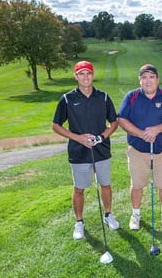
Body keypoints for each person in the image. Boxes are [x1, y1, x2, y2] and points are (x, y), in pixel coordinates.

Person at [52, 60, 120, 240]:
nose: (85, 77)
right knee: (79, 188)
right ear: (76, 76)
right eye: (81, 73)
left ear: (93, 75)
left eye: (88, 73)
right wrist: (78, 138)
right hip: (78, 151)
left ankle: (108, 215)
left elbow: (114, 123)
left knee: (105, 184)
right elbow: (56, 126)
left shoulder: (103, 97)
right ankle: (79, 222)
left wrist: (102, 137)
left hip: (101, 149)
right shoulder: (67, 99)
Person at [118, 64, 162, 230]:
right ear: (140, 80)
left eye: (151, 77)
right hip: (138, 150)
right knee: (137, 184)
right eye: (144, 77)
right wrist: (141, 134)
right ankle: (136, 214)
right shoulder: (131, 97)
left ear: (157, 80)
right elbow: (122, 120)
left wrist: (157, 129)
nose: (148, 81)